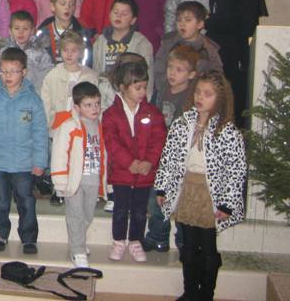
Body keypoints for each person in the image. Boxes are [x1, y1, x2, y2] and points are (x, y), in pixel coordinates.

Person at [154, 71, 247, 301]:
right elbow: (169, 157)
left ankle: (205, 295)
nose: (200, 97)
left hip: (209, 195)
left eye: (207, 94)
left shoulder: (227, 131)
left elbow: (236, 170)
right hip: (187, 189)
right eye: (197, 92)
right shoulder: (182, 124)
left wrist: (227, 203)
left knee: (206, 248)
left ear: (220, 98)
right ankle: (190, 293)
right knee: (187, 246)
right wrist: (163, 187)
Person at [0, 47, 49, 255]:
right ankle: (0, 233)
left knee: (26, 201)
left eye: (13, 71)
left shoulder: (32, 100)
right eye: (4, 71)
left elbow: (40, 133)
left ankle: (28, 238)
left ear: (24, 72)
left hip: (24, 163)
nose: (7, 76)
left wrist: (40, 162)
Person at [102, 60, 166, 263]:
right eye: (137, 88)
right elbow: (111, 142)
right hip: (122, 172)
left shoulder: (152, 113)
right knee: (120, 209)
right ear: (123, 87)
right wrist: (128, 162)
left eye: (144, 87)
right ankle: (119, 241)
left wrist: (149, 162)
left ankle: (136, 241)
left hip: (144, 174)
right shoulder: (111, 114)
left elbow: (158, 139)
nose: (142, 92)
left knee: (139, 211)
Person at [205, 0, 268, 127]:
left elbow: (243, 21)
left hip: (235, 53)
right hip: (219, 48)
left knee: (232, 105)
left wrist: (208, 21)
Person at [143, 44, 200, 253]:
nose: (172, 73)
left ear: (191, 74)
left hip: (182, 157)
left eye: (179, 70)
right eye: (170, 67)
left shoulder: (192, 98)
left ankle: (184, 239)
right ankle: (157, 236)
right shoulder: (162, 91)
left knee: (183, 200)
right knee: (157, 198)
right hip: (160, 154)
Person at [51, 82, 107, 268]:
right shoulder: (69, 126)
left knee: (87, 215)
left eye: (97, 104)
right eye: (88, 105)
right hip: (74, 182)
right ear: (77, 107)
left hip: (93, 180)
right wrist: (61, 182)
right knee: (75, 215)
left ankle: (78, 241)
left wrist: (107, 181)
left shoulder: (101, 125)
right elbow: (59, 154)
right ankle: (78, 250)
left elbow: (105, 155)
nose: (94, 108)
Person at [153, 1, 222, 98]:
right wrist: (167, 89)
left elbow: (216, 77)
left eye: (188, 20)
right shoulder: (168, 43)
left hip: (196, 98)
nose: (182, 24)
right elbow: (158, 69)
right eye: (179, 20)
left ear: (200, 24)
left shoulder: (209, 49)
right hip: (169, 94)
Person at [92, 0, 154, 97]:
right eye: (115, 12)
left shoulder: (142, 44)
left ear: (133, 20)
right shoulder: (100, 42)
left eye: (124, 14)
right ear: (109, 14)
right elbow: (96, 74)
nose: (118, 16)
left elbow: (148, 80)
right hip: (104, 98)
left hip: (130, 98)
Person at [41, 31, 99, 131]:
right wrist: (52, 122)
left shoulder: (90, 76)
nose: (69, 54)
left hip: (84, 127)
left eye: (73, 50)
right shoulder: (52, 76)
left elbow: (97, 103)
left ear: (81, 52)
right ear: (60, 51)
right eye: (65, 50)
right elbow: (45, 104)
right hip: (59, 127)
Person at [0, 11, 53, 95]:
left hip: (33, 94)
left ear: (32, 30)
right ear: (10, 30)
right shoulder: (4, 51)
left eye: (25, 29)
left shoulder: (40, 52)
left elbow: (48, 74)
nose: (21, 32)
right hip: (8, 94)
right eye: (17, 28)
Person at [34, 0, 89, 66]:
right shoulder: (43, 33)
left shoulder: (81, 32)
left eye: (72, 4)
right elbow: (36, 60)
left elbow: (87, 60)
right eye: (63, 4)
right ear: (53, 6)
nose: (67, 7)